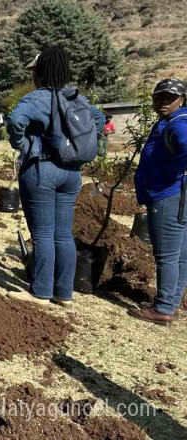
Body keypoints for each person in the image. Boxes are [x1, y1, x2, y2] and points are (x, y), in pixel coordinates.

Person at [6, 46, 105, 307]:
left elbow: (16, 121)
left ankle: (40, 292)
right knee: (63, 234)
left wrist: (22, 144)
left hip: (42, 169)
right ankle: (64, 293)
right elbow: (99, 119)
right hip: (71, 173)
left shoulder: (37, 98)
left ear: (38, 72)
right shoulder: (77, 98)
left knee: (42, 234)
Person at [129, 78, 187, 325]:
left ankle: (163, 307)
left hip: (168, 196)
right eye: (159, 96)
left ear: (182, 99)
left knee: (166, 255)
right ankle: (170, 304)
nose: (163, 101)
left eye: (170, 97)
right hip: (177, 194)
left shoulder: (178, 125)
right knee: (181, 255)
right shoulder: (168, 122)